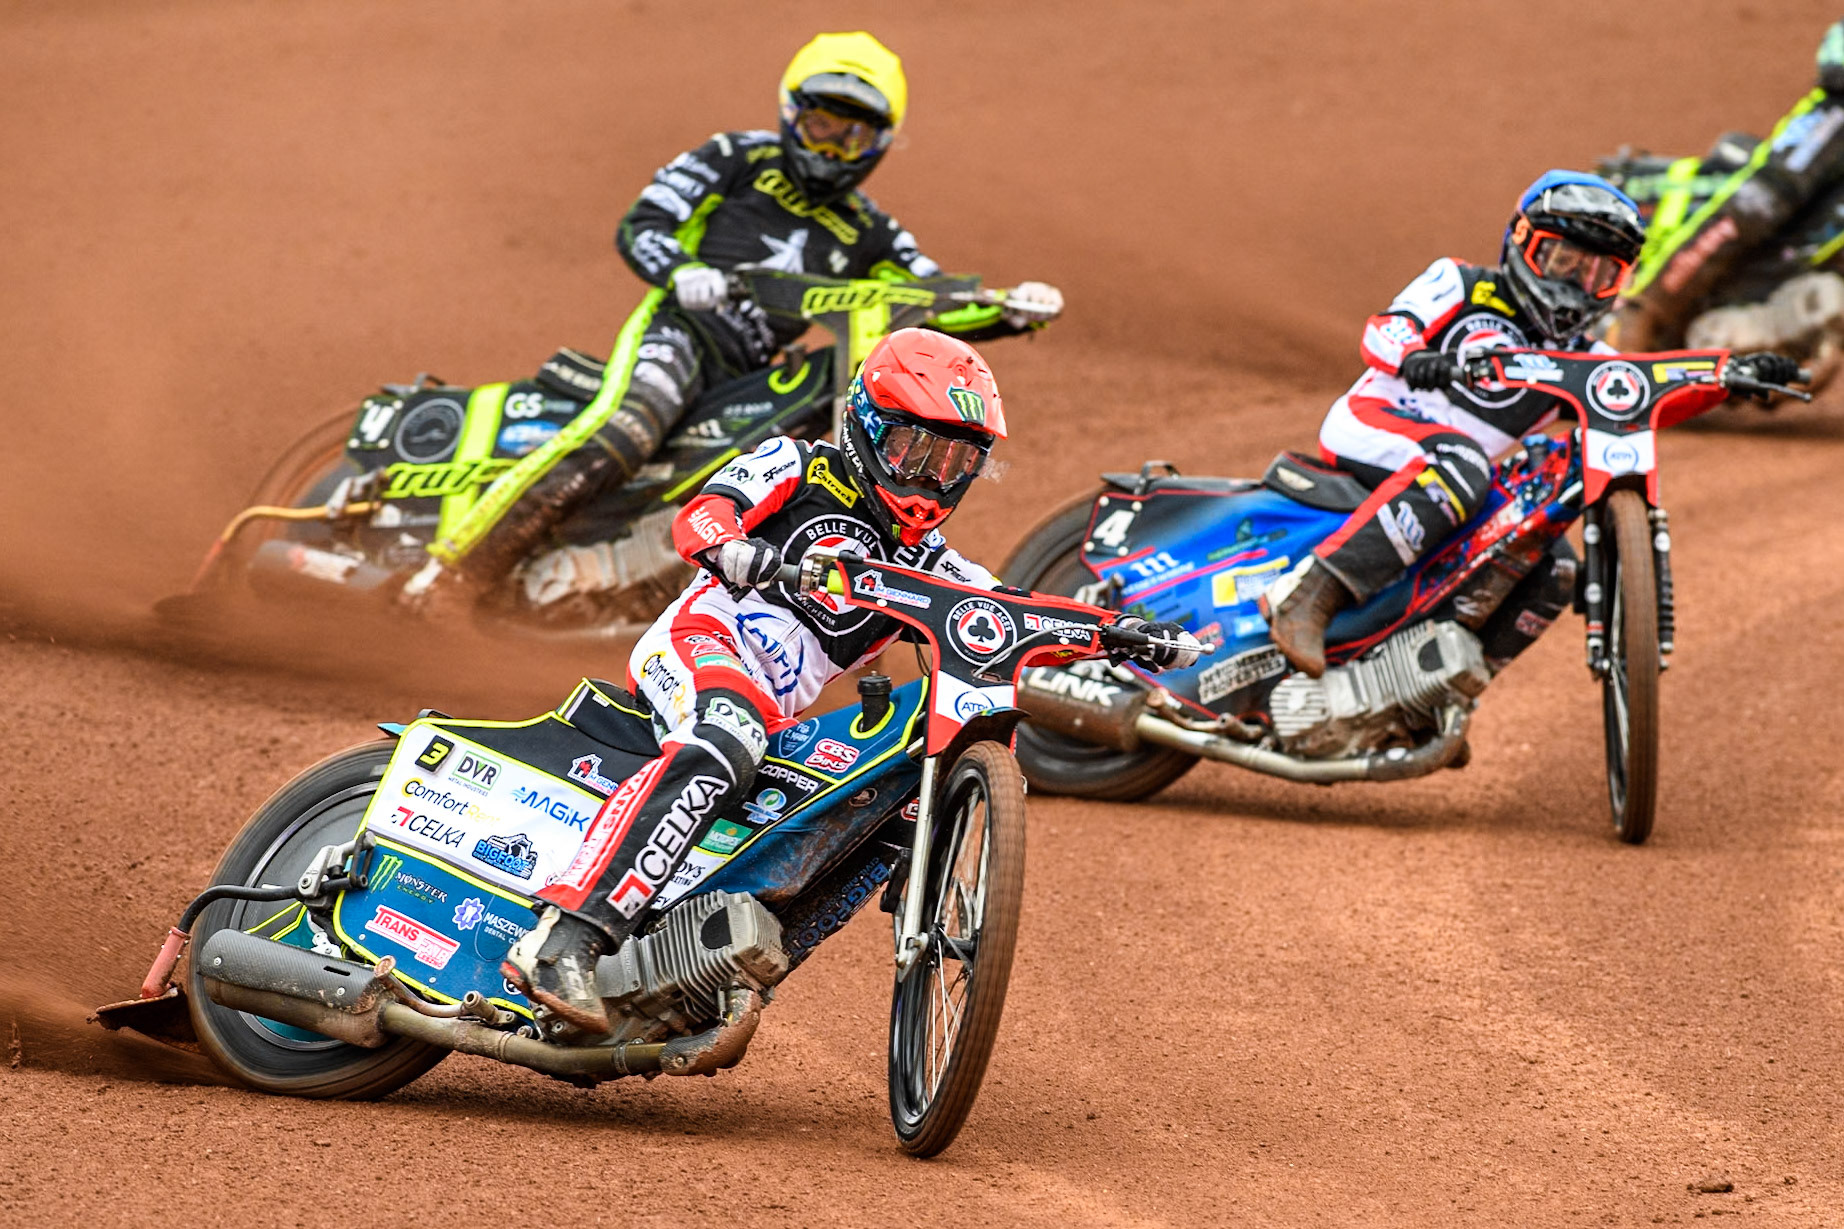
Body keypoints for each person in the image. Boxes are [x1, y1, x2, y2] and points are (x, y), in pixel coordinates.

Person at [503, 329, 1199, 1036]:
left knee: (883, 802)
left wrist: (1117, 632)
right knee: (727, 736)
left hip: (772, 710)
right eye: (913, 450)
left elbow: (1012, 612)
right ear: (867, 426)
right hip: (701, 644)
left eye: (955, 460)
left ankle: (707, 974)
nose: (930, 478)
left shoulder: (932, 563)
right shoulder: (797, 466)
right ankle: (565, 938)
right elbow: (701, 515)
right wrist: (736, 549)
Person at [404, 31, 1064, 609]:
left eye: (854, 133)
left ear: (881, 142)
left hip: (748, 377)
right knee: (628, 427)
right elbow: (643, 222)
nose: (834, 147)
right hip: (680, 334)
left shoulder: (872, 230)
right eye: (822, 125)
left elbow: (929, 300)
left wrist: (1008, 309)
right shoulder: (737, 157)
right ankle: (450, 573)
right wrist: (679, 270)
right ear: (791, 114)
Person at [1258, 170, 1801, 679]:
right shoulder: (1460, 283)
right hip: (1375, 423)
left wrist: (1732, 378)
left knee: (1552, 562)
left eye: (1601, 273)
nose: (1579, 284)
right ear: (1524, 243)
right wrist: (1412, 357)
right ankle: (1306, 594)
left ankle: (1436, 688)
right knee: (1461, 464)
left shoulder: (1583, 355)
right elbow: (1385, 330)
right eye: (1566, 260)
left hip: (1452, 474)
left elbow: (1644, 396)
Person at [1610, 19, 1844, 351]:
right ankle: (1641, 313)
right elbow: (1752, 206)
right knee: (1758, 202)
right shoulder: (1833, 117)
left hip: (1795, 271)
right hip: (1755, 249)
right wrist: (1647, 307)